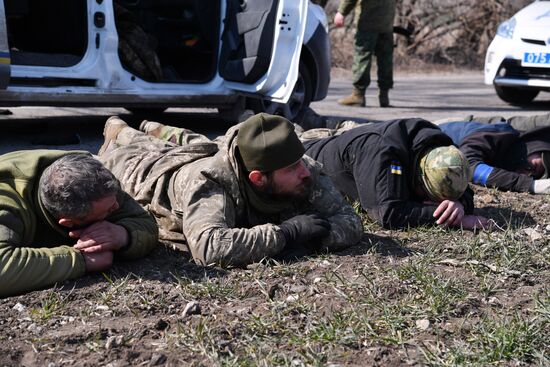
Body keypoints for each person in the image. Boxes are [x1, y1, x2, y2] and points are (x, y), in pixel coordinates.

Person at [98, 113, 363, 267]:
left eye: (300, 164)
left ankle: (147, 129)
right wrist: (286, 235)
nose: (305, 173)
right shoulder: (209, 182)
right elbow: (209, 248)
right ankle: (118, 131)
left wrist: (313, 241)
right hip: (146, 174)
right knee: (127, 156)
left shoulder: (299, 165)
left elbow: (350, 221)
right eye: (292, 169)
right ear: (258, 178)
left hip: (202, 153)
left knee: (196, 143)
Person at [0, 151, 158, 297]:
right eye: (108, 210)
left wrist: (124, 235)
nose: (117, 207)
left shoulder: (96, 181)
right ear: (68, 223)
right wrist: (81, 260)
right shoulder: (7, 205)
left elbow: (144, 221)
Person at [299, 118, 490, 230]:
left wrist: (460, 204)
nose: (438, 203)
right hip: (308, 155)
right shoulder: (382, 155)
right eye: (430, 197)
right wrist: (454, 220)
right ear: (419, 176)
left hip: (344, 141)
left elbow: (462, 184)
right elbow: (388, 213)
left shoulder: (443, 149)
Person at [436, 113, 550, 194]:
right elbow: (467, 166)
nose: (526, 175)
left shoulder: (504, 160)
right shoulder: (498, 134)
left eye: (534, 177)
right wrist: (530, 185)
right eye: (532, 167)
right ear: (534, 147)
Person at [334, 0, 396, 108]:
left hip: (368, 20)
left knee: (362, 56)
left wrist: (341, 12)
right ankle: (384, 95)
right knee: (385, 58)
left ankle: (358, 95)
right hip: (386, 20)